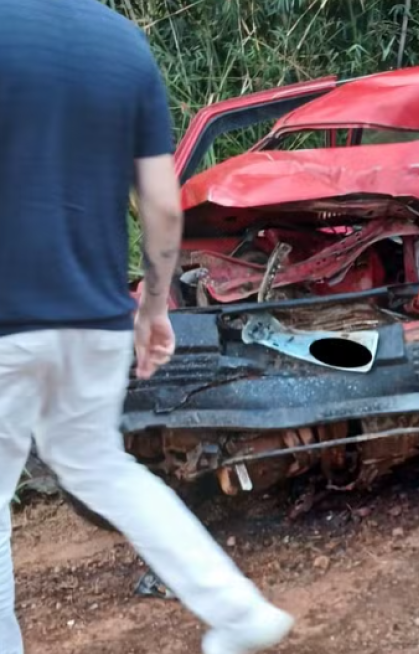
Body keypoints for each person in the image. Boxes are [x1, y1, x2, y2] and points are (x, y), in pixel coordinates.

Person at [0, 1, 294, 652]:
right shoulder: (122, 44)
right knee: (101, 467)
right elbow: (161, 203)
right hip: (97, 317)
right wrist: (154, 305)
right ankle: (240, 613)